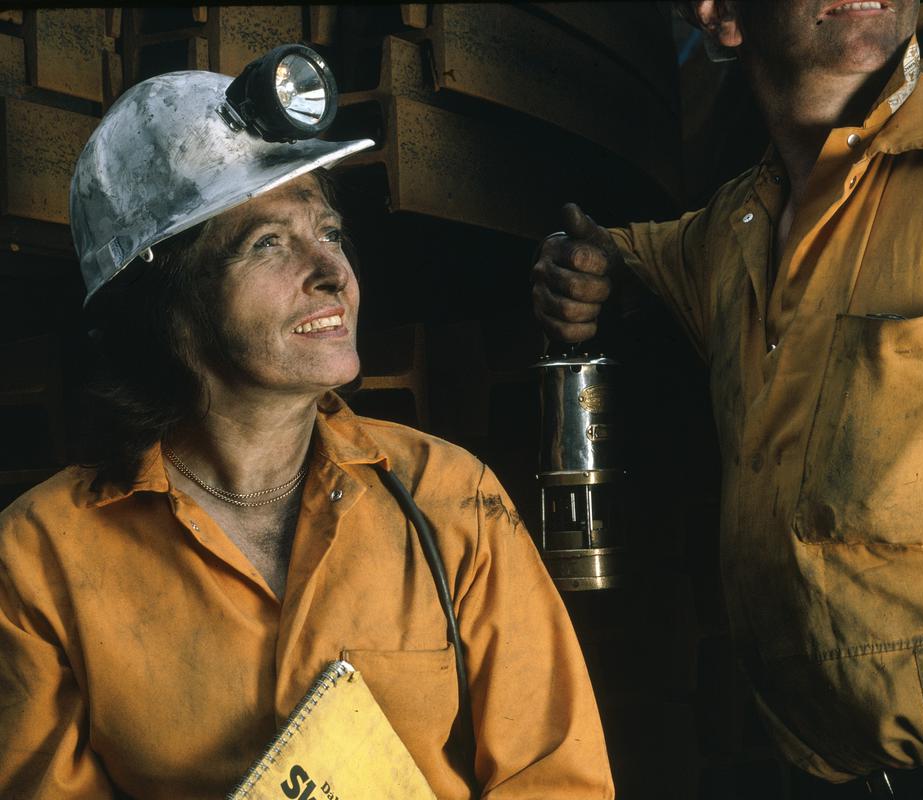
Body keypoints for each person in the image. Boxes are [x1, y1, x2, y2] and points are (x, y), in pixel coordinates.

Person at [532, 1, 923, 797]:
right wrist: (586, 268)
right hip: (821, 779)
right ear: (724, 16)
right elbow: (628, 257)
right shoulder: (731, 234)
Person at [0, 52, 613, 798]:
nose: (331, 271)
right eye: (268, 243)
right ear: (164, 302)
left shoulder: (452, 500)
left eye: (328, 231)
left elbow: (555, 778)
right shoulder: (39, 560)